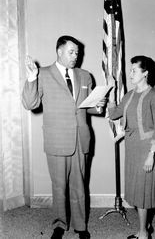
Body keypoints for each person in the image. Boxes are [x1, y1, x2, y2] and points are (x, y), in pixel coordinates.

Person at [22, 35, 106, 239]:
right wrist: (32, 78)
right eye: (71, 52)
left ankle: (81, 226)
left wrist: (98, 106)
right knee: (59, 186)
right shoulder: (42, 74)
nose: (75, 56)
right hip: (56, 140)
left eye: (77, 52)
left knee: (80, 186)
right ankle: (59, 225)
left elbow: (86, 108)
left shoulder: (85, 76)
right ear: (59, 51)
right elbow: (30, 104)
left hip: (80, 139)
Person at [108, 55, 155, 239]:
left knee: (143, 191)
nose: (130, 73)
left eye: (134, 70)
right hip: (131, 148)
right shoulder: (129, 95)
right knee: (136, 190)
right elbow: (115, 114)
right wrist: (110, 92)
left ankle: (142, 233)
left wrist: (151, 154)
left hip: (146, 149)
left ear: (145, 73)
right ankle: (145, 225)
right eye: (130, 70)